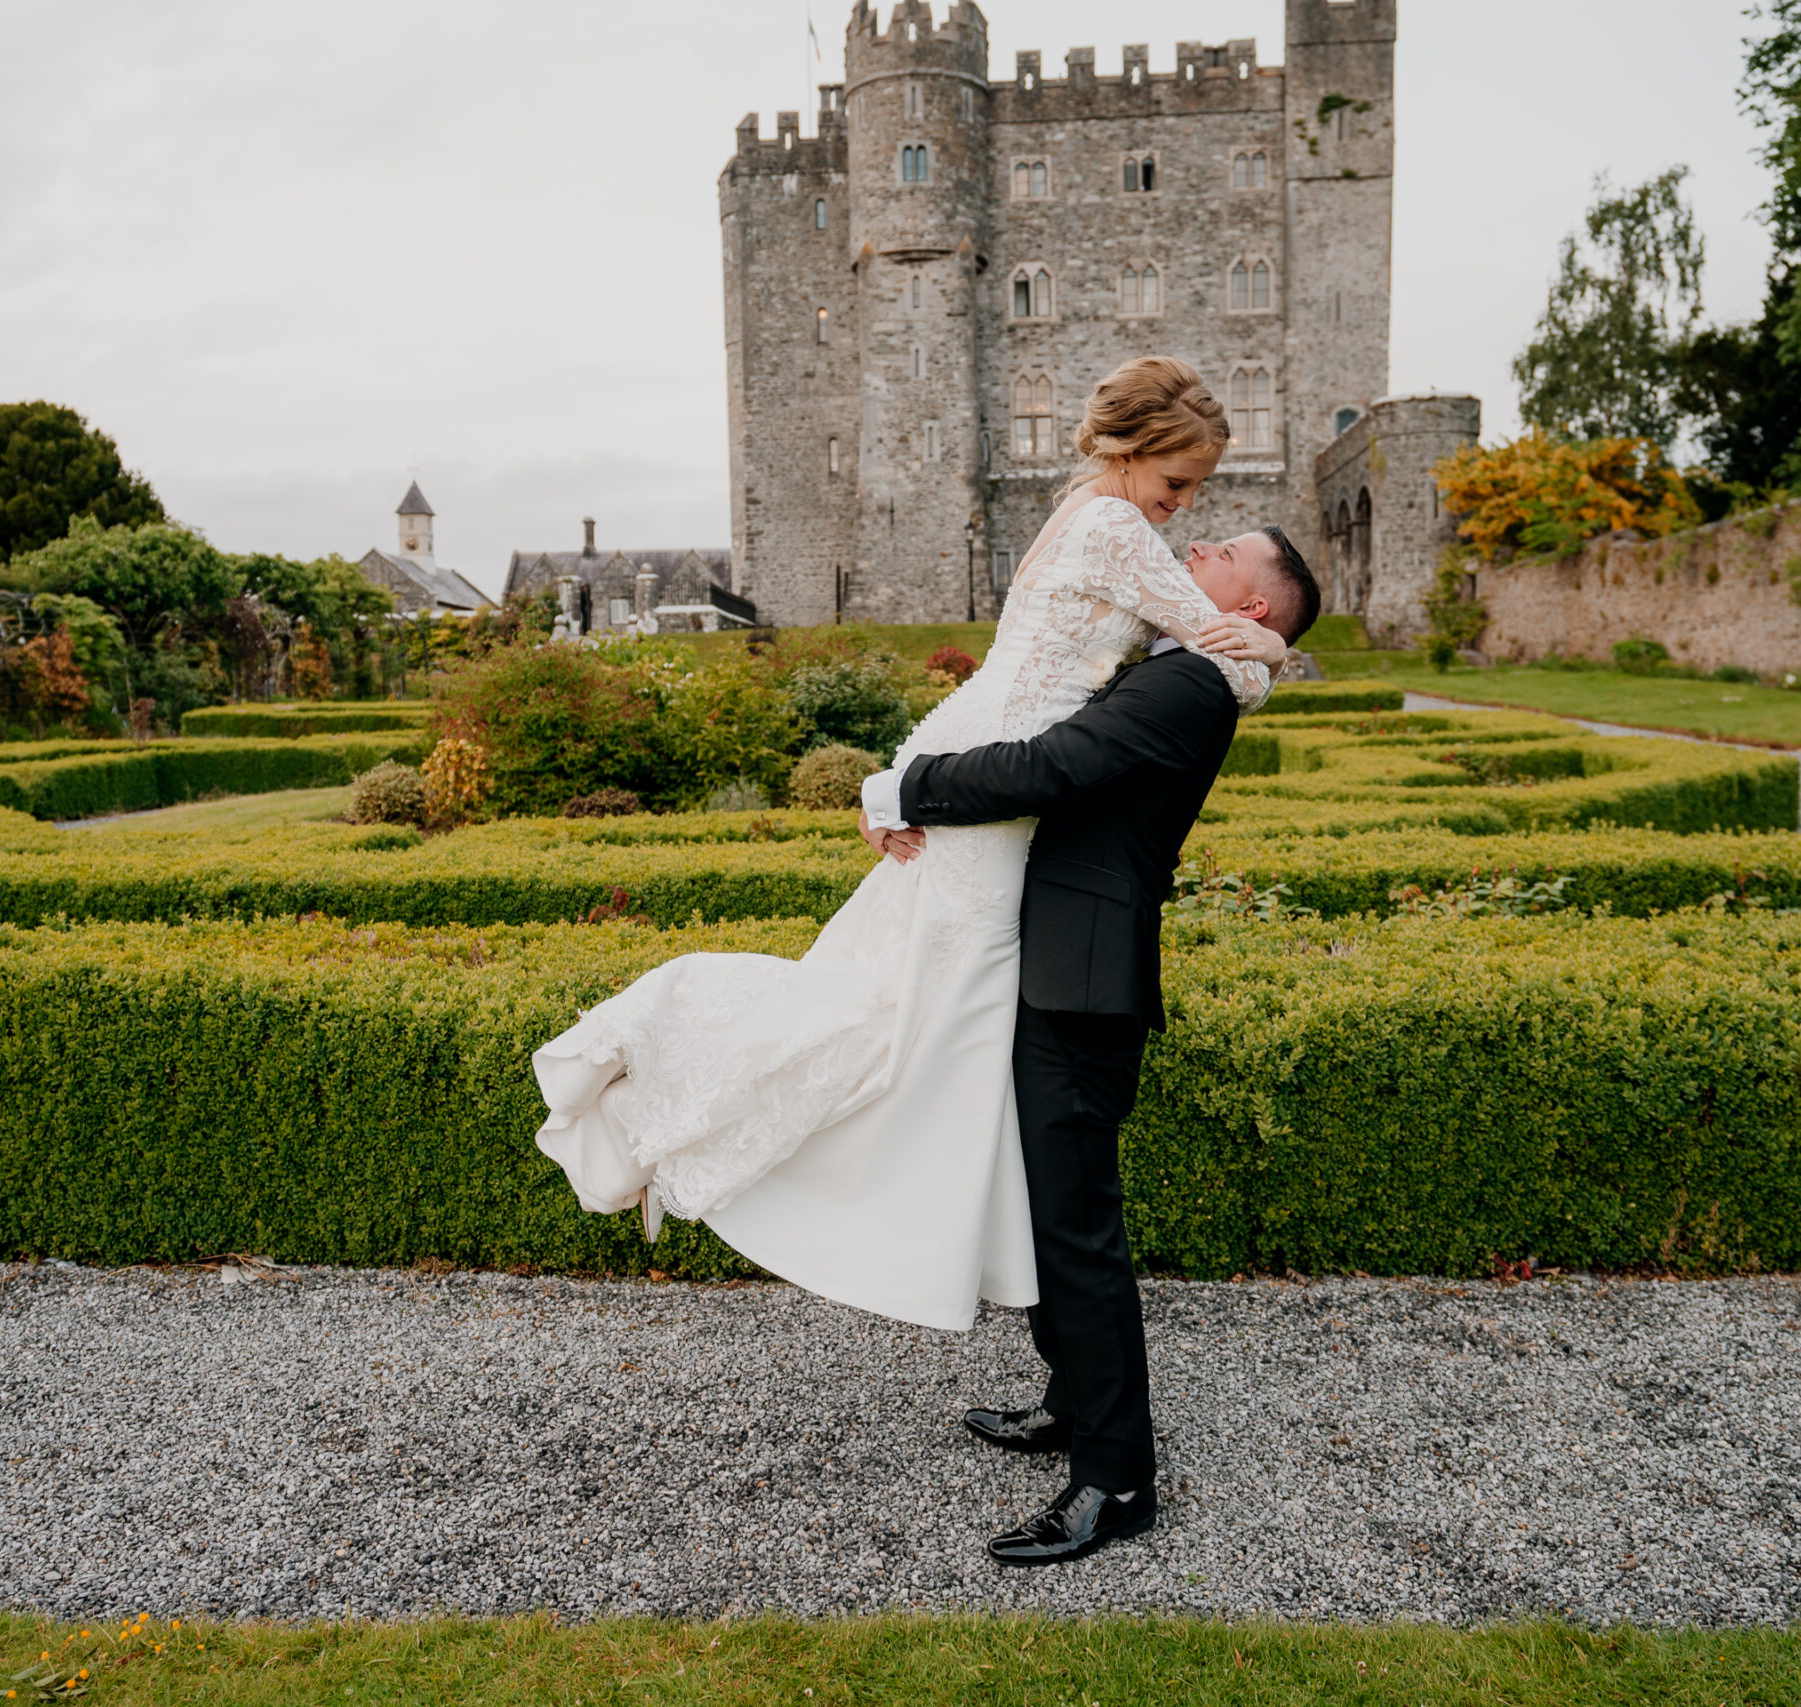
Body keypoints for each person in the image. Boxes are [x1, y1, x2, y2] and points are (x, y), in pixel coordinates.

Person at [530, 354, 1296, 1333]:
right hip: (994, 792)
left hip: (972, 756)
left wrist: (900, 774)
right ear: (1128, 453)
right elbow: (1222, 648)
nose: (1182, 510)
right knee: (910, 1030)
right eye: (1176, 484)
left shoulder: (1082, 513)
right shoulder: (1111, 523)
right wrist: (1272, 642)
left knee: (917, 1021)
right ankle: (674, 1095)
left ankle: (976, 1262)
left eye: (1194, 491)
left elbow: (1014, 671)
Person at [858, 516, 1317, 1565]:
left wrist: (902, 788)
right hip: (1052, 963)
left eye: (1221, 555)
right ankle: (1072, 1404)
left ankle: (1115, 1480)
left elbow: (1053, 767)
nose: (1192, 548)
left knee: (1078, 1232)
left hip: (1082, 985)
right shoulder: (1189, 663)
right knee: (1045, 1206)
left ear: (1246, 608)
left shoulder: (1193, 682)